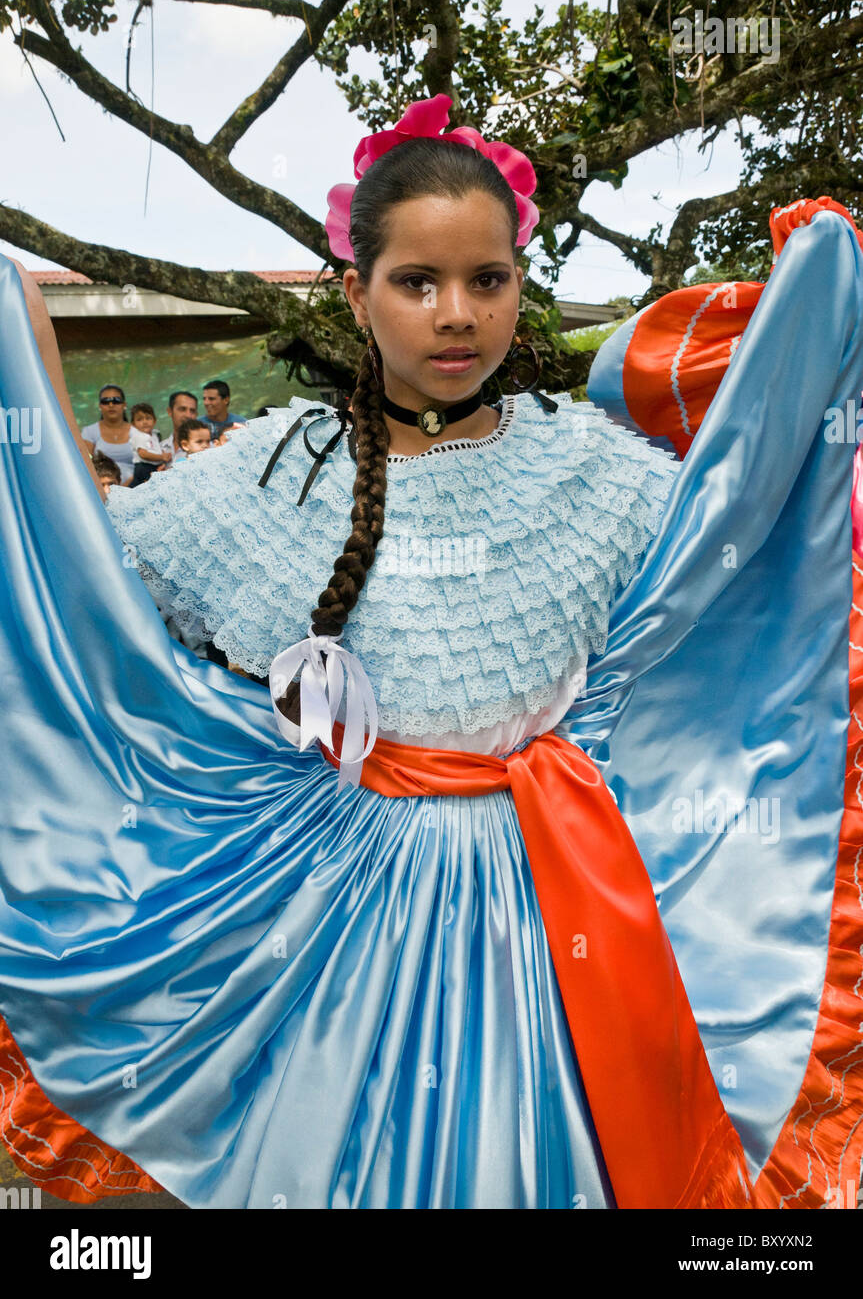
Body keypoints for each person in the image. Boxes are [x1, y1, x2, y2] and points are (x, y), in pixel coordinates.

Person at [0, 95, 861, 1212]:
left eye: (486, 281)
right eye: (416, 282)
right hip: (324, 920)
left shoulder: (597, 474)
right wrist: (24, 371)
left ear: (518, 286)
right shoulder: (257, 478)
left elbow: (744, 558)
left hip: (556, 923)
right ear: (356, 294)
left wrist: (811, 337)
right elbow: (75, 592)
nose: (454, 315)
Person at [80, 382, 136, 486]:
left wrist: (129, 485)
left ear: (124, 405)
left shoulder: (137, 431)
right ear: (100, 406)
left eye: (116, 400)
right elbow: (86, 464)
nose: (111, 405)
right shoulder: (89, 431)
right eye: (105, 401)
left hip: (136, 485)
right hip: (102, 488)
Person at [128, 402, 172, 486]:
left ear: (154, 420)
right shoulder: (139, 436)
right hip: (143, 467)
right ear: (133, 424)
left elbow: (157, 449)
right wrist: (162, 457)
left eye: (148, 418)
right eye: (139, 419)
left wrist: (163, 457)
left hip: (153, 466)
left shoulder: (155, 434)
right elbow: (143, 454)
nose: (144, 422)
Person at [158, 390, 199, 464]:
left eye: (192, 411)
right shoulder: (159, 449)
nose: (188, 415)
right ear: (170, 411)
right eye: (182, 409)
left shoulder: (206, 448)